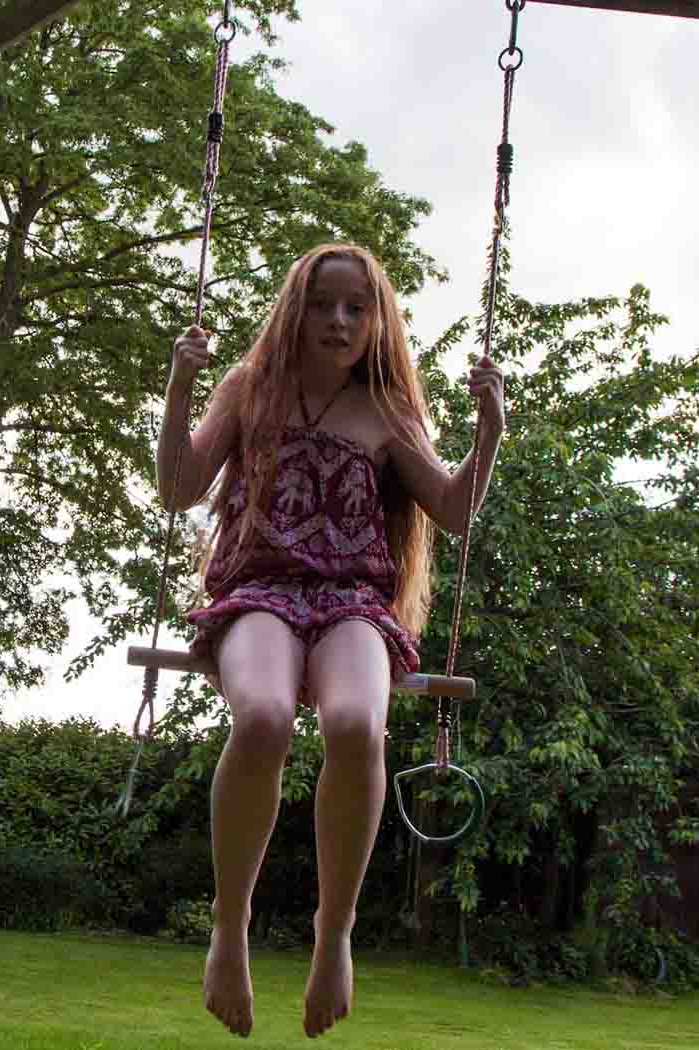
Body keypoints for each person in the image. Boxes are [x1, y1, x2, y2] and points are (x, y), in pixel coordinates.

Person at [156, 243, 505, 1038]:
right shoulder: (250, 388)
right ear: (295, 309)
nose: (338, 321)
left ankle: (334, 934)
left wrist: (489, 433)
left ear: (378, 320)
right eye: (322, 304)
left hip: (353, 602)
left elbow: (454, 510)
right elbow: (178, 487)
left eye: (356, 307)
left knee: (354, 725)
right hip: (258, 590)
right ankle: (229, 928)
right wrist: (179, 387)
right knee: (263, 717)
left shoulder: (387, 409)